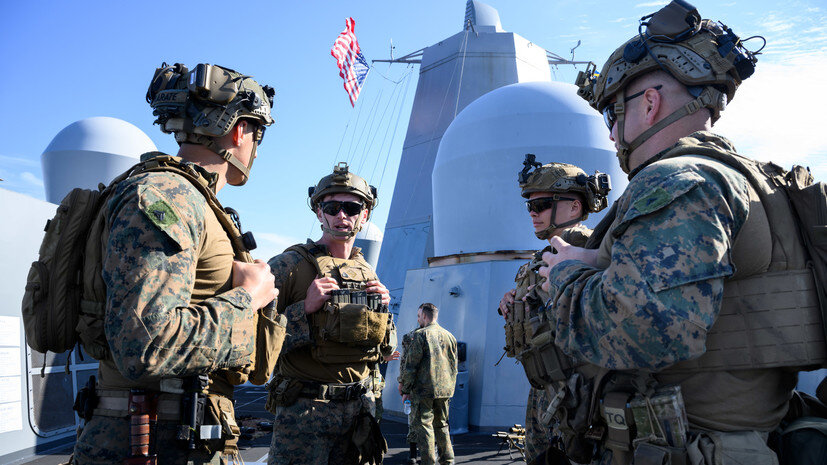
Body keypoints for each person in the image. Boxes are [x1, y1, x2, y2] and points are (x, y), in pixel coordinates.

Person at [538, 1, 825, 463]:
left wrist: (565, 277)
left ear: (648, 104)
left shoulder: (675, 180)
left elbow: (642, 331)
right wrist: (602, 265)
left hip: (694, 446)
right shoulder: (748, 180)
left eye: (613, 113)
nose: (612, 134)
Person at [73, 63, 279, 464]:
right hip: (152, 440)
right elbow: (144, 344)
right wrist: (247, 299)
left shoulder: (189, 199)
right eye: (258, 132)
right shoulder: (169, 196)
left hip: (178, 436)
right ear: (240, 131)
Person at [265, 162, 395, 465]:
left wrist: (385, 314)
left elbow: (386, 350)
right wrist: (303, 309)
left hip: (358, 414)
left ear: (364, 215)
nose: (341, 216)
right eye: (332, 206)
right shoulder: (288, 266)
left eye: (351, 207)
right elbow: (252, 343)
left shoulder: (367, 272)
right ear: (318, 211)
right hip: (304, 413)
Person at [497, 155, 610, 464]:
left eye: (542, 205)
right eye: (530, 207)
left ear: (574, 206)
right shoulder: (542, 257)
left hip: (578, 394)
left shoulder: (588, 250)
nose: (533, 214)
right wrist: (511, 303)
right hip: (544, 389)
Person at [398, 303, 458, 465]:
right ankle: (448, 461)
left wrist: (405, 389)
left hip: (424, 390)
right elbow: (454, 366)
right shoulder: (450, 336)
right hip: (444, 390)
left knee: (424, 427)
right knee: (442, 425)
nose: (418, 320)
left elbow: (411, 366)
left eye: (419, 316)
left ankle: (428, 462)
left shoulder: (420, 336)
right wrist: (450, 388)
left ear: (424, 316)